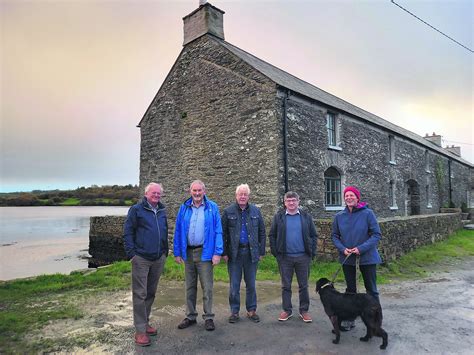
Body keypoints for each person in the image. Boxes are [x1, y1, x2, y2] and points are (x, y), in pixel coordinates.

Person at [173, 180, 223, 331]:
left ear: (204, 191)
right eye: (194, 190)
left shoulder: (212, 207)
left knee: (207, 287)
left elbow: (218, 230)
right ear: (190, 191)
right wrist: (177, 252)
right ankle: (190, 316)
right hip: (187, 252)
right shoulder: (184, 207)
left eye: (199, 190)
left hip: (205, 252)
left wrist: (217, 252)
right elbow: (178, 230)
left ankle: (208, 317)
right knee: (190, 286)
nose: (196, 193)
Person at [123, 182, 169, 347]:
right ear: (146, 194)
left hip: (158, 258)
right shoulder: (136, 210)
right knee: (140, 294)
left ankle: (145, 322)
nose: (156, 196)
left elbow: (164, 231)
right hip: (141, 258)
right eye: (153, 193)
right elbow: (128, 231)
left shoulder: (162, 210)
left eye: (158, 193)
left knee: (151, 293)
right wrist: (132, 255)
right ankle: (140, 331)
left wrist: (165, 251)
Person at [331, 186, 382, 331]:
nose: (348, 198)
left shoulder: (368, 214)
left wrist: (361, 248)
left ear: (357, 197)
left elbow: (376, 234)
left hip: (367, 258)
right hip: (348, 259)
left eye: (351, 195)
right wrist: (343, 249)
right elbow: (334, 236)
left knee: (371, 290)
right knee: (350, 290)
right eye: (346, 195)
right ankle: (349, 319)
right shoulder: (339, 216)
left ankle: (376, 319)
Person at [269, 191, 318, 323]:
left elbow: (314, 235)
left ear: (298, 201)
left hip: (303, 257)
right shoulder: (278, 217)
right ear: (284, 203)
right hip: (285, 258)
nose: (291, 203)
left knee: (304, 285)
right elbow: (272, 235)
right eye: (288, 200)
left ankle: (304, 311)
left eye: (293, 200)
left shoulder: (306, 217)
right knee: (286, 286)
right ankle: (287, 310)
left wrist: (311, 253)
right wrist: (276, 253)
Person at [222, 184, 266, 323]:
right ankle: (234, 312)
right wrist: (223, 252)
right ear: (236, 196)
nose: (242, 196)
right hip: (234, 254)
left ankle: (251, 311)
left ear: (248, 196)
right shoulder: (228, 211)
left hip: (251, 253)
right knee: (234, 286)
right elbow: (222, 234)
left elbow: (262, 232)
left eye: (245, 194)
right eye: (240, 194)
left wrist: (261, 251)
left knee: (251, 285)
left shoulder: (255, 211)